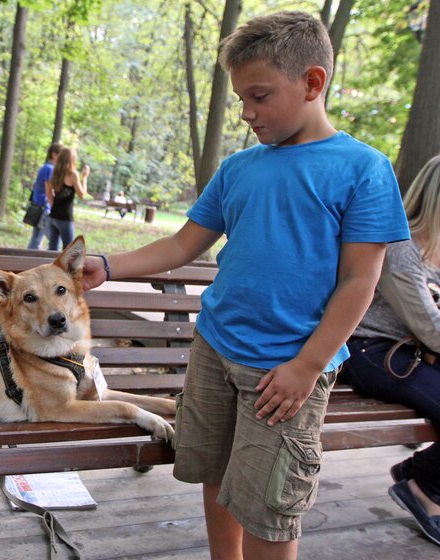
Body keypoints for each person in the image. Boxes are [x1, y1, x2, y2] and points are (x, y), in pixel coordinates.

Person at [82, 11, 408, 559]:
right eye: (240, 99)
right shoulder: (239, 169)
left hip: (286, 368)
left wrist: (307, 366)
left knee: (270, 504)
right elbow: (182, 245)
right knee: (218, 476)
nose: (246, 113)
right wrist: (108, 265)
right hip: (216, 347)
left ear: (312, 82)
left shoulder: (363, 169)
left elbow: (360, 280)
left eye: (259, 96)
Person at [342, 154, 440, 547]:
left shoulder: (435, 250)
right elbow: (429, 327)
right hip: (373, 352)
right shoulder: (403, 247)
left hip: (416, 354)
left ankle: (419, 470)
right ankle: (423, 488)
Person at [46, 147, 89, 251]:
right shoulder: (72, 175)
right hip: (65, 217)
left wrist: (54, 205)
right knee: (69, 250)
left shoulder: (55, 173)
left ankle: (51, 267)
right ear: (72, 159)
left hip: (53, 216)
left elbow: (48, 192)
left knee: (52, 249)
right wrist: (85, 177)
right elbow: (82, 195)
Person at [27, 142, 61, 250]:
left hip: (40, 207)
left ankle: (27, 260)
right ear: (54, 154)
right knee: (53, 240)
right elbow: (49, 190)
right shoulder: (49, 169)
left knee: (36, 239)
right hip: (44, 208)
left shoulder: (46, 167)